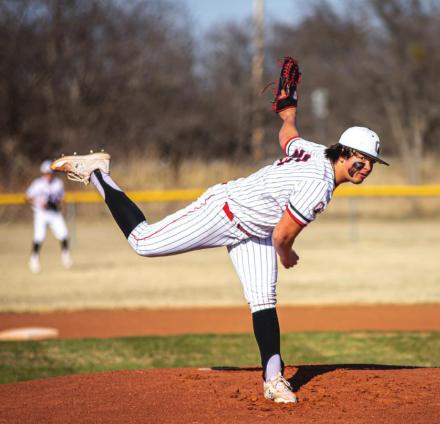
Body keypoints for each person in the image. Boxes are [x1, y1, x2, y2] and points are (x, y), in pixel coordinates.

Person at [50, 57, 388, 403]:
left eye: (372, 163)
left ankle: (274, 380)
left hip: (255, 229)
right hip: (224, 211)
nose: (368, 168)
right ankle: (97, 173)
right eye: (364, 160)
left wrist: (288, 115)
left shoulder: (315, 151)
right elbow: (281, 237)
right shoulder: (319, 185)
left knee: (263, 301)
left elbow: (289, 138)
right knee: (143, 242)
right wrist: (287, 253)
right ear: (346, 153)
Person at [25, 160, 73, 273]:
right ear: (43, 173)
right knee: (39, 237)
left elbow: (61, 198)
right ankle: (34, 259)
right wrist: (38, 201)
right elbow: (27, 197)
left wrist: (59, 203)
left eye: (50, 173)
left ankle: (65, 256)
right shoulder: (38, 183)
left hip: (54, 212)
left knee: (64, 234)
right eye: (47, 173)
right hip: (41, 213)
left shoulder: (58, 183)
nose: (49, 175)